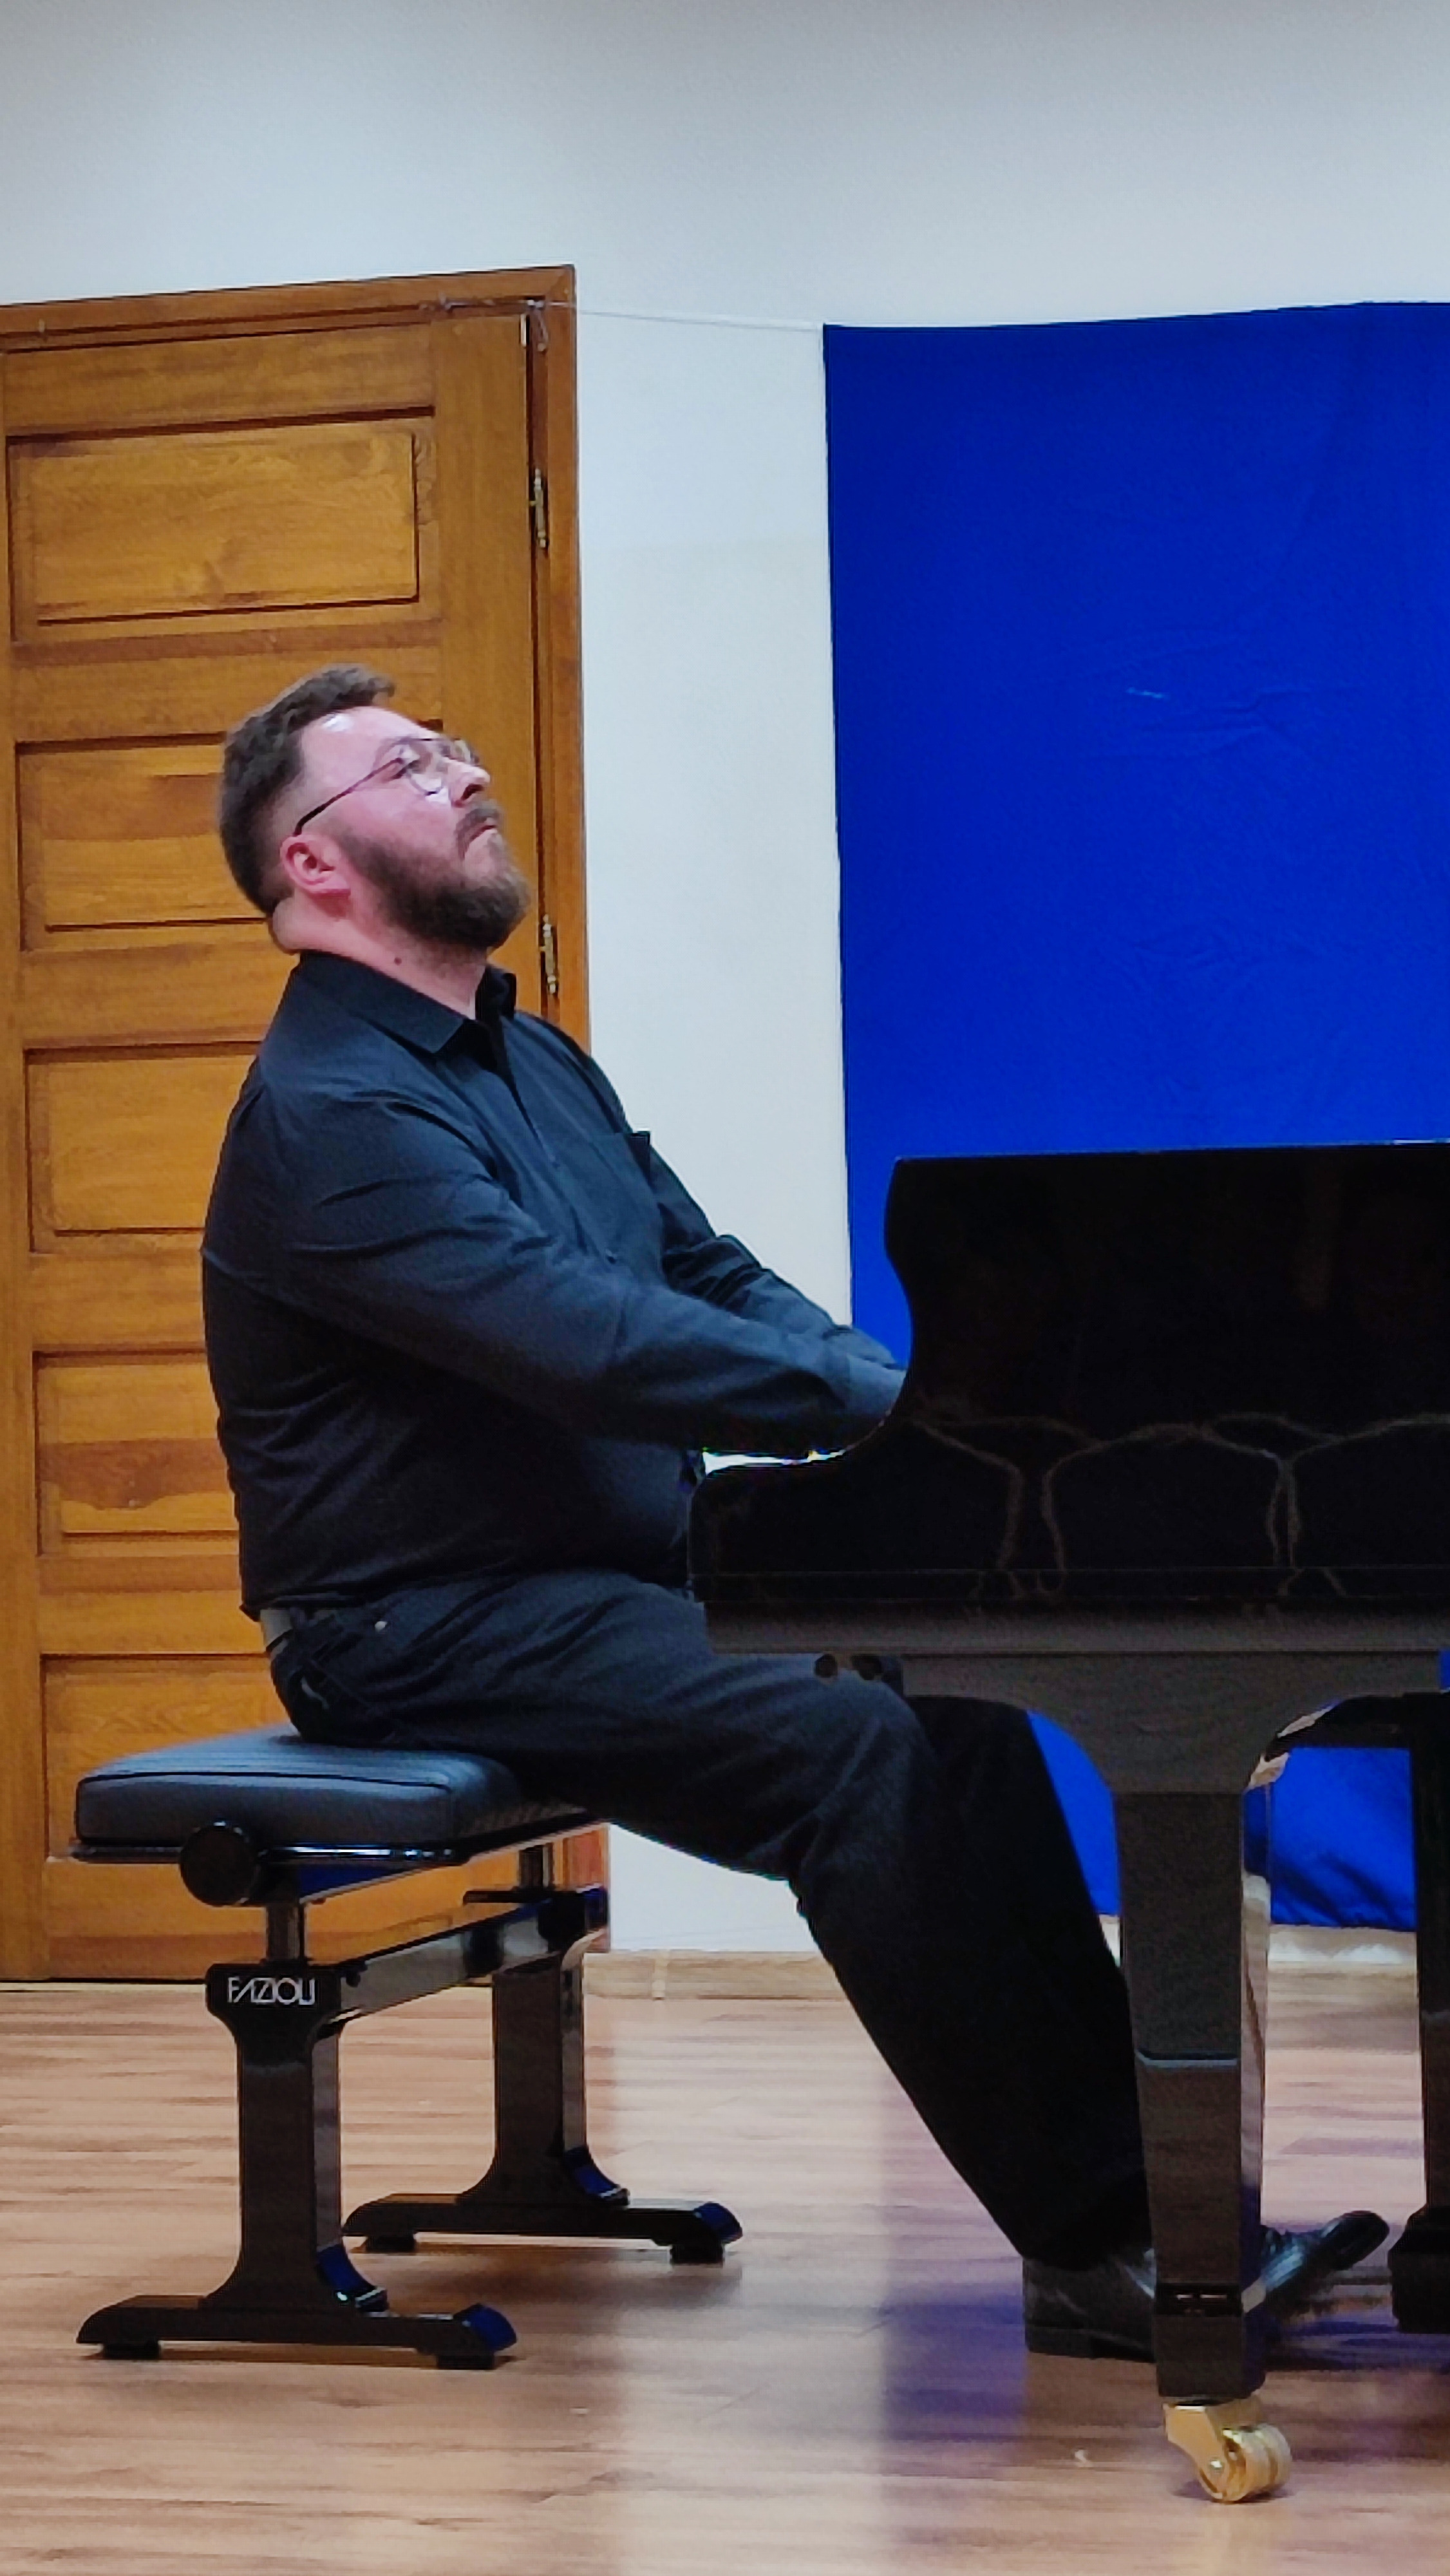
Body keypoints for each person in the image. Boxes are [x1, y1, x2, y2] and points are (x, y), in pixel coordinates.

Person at [203, 663, 1382, 2358]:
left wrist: (919, 1408)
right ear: (311, 863)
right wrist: (903, 1416)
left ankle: (1164, 2209)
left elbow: (702, 1274)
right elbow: (589, 1342)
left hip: (614, 1579)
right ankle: (1098, 2246)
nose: (461, 773)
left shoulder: (532, 1062)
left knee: (960, 1687)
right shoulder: (329, 1116)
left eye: (451, 746)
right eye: (405, 765)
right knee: (855, 1756)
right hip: (415, 1620)